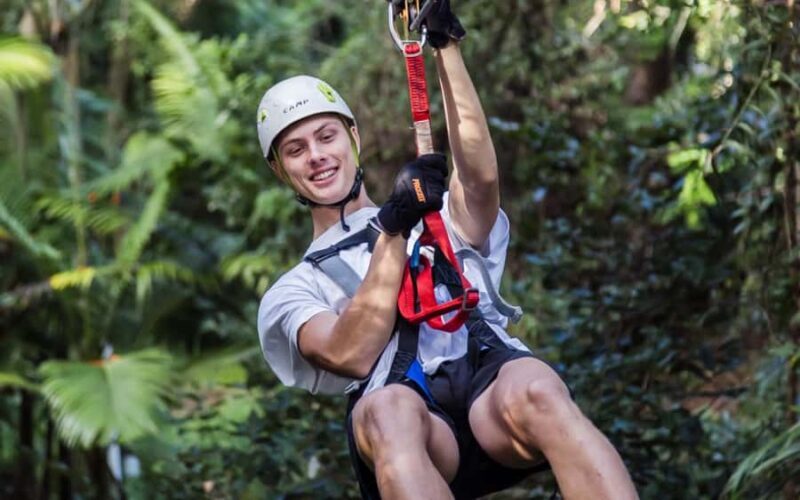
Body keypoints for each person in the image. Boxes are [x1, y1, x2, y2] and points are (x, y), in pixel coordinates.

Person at [256, 2, 638, 498]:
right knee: (389, 412)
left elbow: (479, 181)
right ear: (281, 170)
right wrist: (392, 228)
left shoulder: (431, 210)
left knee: (540, 388)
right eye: (296, 149)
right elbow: (349, 353)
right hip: (411, 427)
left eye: (326, 136)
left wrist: (445, 49)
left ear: (353, 137)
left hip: (491, 393)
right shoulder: (294, 290)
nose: (317, 157)